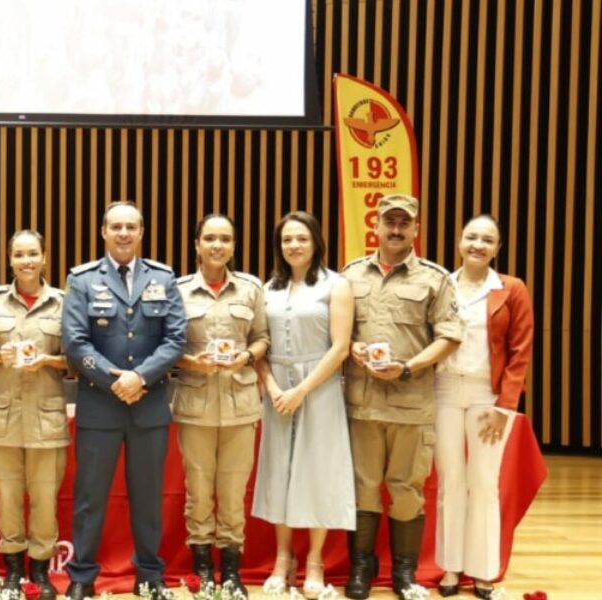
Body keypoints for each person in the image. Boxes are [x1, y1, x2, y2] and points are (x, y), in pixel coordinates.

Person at [61, 201, 186, 600]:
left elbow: (175, 338)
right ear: (103, 232)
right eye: (116, 227)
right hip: (101, 404)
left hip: (148, 405)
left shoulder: (163, 278)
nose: (123, 234)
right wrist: (115, 380)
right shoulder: (81, 279)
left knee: (148, 498)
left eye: (131, 227)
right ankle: (82, 575)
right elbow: (74, 342)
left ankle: (149, 574)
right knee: (89, 498)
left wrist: (140, 377)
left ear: (141, 232)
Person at [342, 194, 464, 599]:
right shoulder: (351, 275)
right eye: (388, 222)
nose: (395, 229)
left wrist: (409, 367)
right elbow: (336, 333)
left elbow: (450, 336)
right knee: (363, 486)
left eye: (403, 223)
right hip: (362, 403)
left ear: (415, 229)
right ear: (375, 226)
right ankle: (361, 567)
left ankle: (404, 572)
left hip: (412, 403)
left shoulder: (434, 278)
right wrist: (352, 348)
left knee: (406, 488)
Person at [251, 212, 355, 599]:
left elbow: (341, 347)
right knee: (280, 471)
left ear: (316, 242)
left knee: (317, 471)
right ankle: (283, 559)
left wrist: (303, 391)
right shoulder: (269, 288)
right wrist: (274, 387)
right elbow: (259, 343)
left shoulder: (336, 285)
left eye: (302, 239)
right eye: (286, 240)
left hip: (320, 388)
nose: (294, 246)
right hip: (277, 389)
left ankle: (314, 560)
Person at [434, 215, 534, 599]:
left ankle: (483, 570)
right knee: (450, 483)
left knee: (484, 484)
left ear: (498, 248)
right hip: (442, 390)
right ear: (459, 242)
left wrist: (505, 406)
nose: (477, 244)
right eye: (471, 237)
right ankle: (450, 568)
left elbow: (520, 351)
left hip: (486, 397)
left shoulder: (511, 289)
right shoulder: (442, 285)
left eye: (487, 239)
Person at [171, 214, 269, 597]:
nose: (217, 246)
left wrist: (245, 356)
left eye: (225, 239)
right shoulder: (178, 291)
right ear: (196, 244)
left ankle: (230, 571)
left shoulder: (250, 289)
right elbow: (168, 346)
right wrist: (189, 361)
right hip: (195, 403)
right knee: (197, 489)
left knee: (232, 491)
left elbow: (262, 338)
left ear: (233, 245)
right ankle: (202, 571)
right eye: (209, 238)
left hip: (240, 404)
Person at [0, 229, 70, 600]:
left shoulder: (64, 303)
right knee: (8, 499)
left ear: (45, 257)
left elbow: (77, 358)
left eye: (33, 253)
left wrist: (48, 360)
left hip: (47, 420)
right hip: (2, 419)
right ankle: (14, 571)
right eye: (19, 254)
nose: (27, 261)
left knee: (46, 501)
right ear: (9, 259)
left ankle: (41, 571)